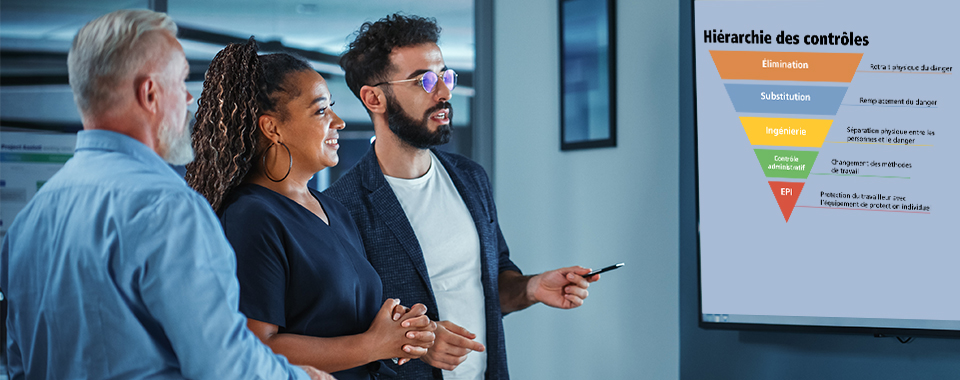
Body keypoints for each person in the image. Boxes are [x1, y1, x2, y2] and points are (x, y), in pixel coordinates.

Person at [0, 10, 332, 380]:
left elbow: (18, 366)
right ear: (150, 93)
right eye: (180, 82)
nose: (189, 99)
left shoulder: (29, 221)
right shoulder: (168, 209)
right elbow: (223, 366)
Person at [324, 14, 599, 380]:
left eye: (445, 76)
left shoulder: (471, 178)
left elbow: (490, 283)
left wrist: (530, 288)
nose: (444, 93)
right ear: (374, 98)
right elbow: (345, 332)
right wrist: (420, 342)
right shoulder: (341, 207)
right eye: (424, 80)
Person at [184, 39, 436, 380]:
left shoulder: (334, 210)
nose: (338, 121)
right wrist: (372, 345)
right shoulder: (250, 218)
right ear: (272, 127)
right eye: (320, 110)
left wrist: (403, 330)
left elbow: (342, 321)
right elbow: (256, 345)